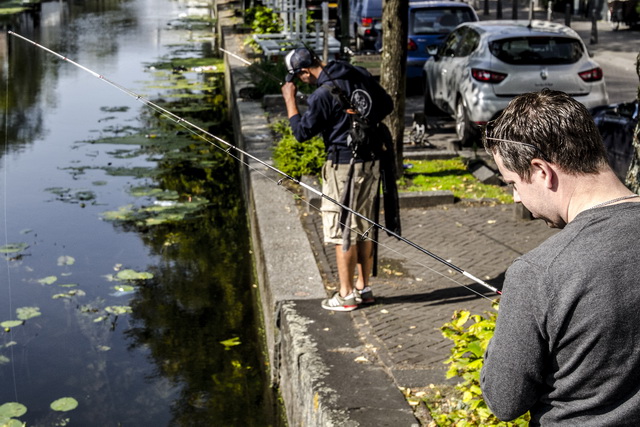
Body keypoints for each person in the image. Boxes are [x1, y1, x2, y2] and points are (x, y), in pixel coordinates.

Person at [480, 88, 640, 425]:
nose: (515, 198)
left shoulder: (538, 272)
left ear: (541, 171)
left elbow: (504, 400)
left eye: (512, 183)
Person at [280, 47, 395, 312]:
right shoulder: (355, 73)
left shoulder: (322, 95)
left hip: (343, 167)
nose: (299, 83)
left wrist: (290, 100)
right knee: (364, 224)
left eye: (298, 78)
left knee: (343, 229)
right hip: (371, 160)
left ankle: (345, 296)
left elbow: (301, 132)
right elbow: (386, 104)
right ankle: (363, 288)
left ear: (304, 72)